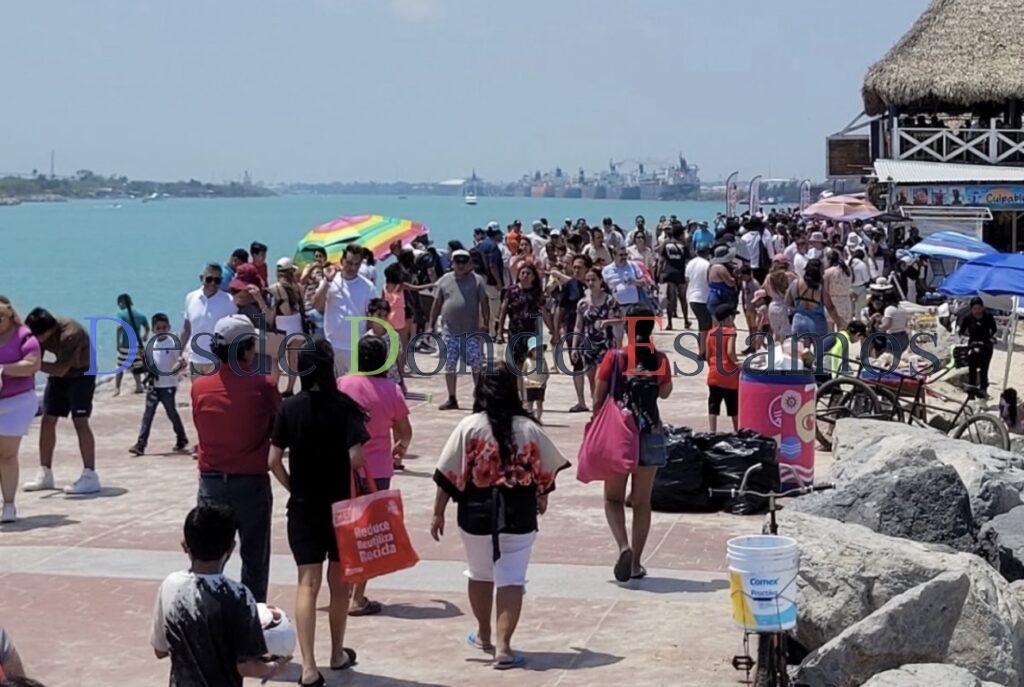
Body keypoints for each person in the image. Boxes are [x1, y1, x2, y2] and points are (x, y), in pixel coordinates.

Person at [431, 364, 569, 670]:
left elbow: (447, 474)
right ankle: (504, 648)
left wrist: (438, 512)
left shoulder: (469, 426)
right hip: (518, 512)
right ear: (513, 389)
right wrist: (542, 495)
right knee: (512, 578)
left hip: (475, 512)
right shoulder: (529, 427)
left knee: (479, 573)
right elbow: (545, 470)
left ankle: (483, 634)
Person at [269, 340, 368, 683]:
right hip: (341, 507)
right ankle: (337, 652)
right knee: (339, 583)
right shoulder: (344, 406)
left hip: (303, 505)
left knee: (306, 583)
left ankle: (309, 667)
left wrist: (294, 486)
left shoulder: (289, 408)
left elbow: (272, 461)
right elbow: (357, 457)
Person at [192, 315, 280, 602]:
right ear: (244, 348)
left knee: (208, 557)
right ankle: (252, 620)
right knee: (254, 558)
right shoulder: (263, 387)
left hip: (212, 481)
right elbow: (279, 427)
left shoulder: (199, 387)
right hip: (250, 482)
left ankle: (204, 613)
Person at [150, 504, 284, 686]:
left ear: (184, 546)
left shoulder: (170, 585)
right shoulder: (239, 595)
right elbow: (245, 666)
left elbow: (160, 650)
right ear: (231, 547)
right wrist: (271, 667)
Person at [594, 305, 672, 582]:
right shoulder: (659, 359)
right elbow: (665, 393)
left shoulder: (614, 357)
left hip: (620, 435)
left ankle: (623, 547)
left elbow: (597, 399)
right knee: (642, 502)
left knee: (613, 498)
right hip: (650, 432)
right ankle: (637, 562)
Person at [337, 336, 412, 616]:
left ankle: (340, 590)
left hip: (343, 464)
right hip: (377, 468)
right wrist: (399, 451)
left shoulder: (343, 384)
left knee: (343, 527)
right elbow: (405, 432)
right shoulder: (392, 390)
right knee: (367, 531)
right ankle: (358, 596)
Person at [22, 309, 99, 495]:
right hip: (59, 376)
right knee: (48, 419)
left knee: (80, 421)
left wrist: (35, 366)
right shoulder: (38, 333)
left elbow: (61, 368)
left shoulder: (70, 334)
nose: (36, 339)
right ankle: (45, 472)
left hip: (81, 374)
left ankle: (90, 475)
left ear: (49, 330)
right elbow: (34, 357)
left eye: (38, 336)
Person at [431, 249, 489, 411]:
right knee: (450, 366)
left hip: (471, 331)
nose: (461, 265)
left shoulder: (477, 281)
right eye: (458, 261)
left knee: (476, 366)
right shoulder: (444, 280)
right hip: (450, 331)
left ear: (469, 263)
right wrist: (431, 324)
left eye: (464, 261)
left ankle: (479, 398)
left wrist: (486, 323)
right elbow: (437, 303)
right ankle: (452, 398)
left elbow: (484, 303)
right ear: (452, 263)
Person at [0, 298, 41, 523]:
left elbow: (32, 364)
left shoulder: (24, 336)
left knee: (6, 454)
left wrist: (3, 370)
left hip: (16, 402)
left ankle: (8, 504)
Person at [128, 313, 189, 457]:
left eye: (164, 327)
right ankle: (141, 444)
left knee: (171, 412)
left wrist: (178, 365)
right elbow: (147, 364)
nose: (161, 330)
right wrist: (141, 357)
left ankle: (181, 437)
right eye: (158, 328)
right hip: (153, 385)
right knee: (148, 415)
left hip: (168, 385)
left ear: (168, 327)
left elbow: (180, 361)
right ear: (153, 330)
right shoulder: (151, 344)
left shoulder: (172, 343)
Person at [313, 244, 375, 377]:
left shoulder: (368, 287)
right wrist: (327, 282)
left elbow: (372, 319)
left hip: (356, 347)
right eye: (349, 263)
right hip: (332, 345)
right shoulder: (330, 281)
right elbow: (317, 305)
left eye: (357, 264)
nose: (352, 267)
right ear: (342, 261)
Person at [181, 263, 238, 374]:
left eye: (217, 280)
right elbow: (186, 329)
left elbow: (234, 330)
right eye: (209, 279)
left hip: (219, 360)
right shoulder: (190, 297)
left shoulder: (229, 301)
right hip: (195, 358)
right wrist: (179, 353)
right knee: (197, 391)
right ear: (201, 278)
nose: (213, 283)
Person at [574, 268, 621, 398]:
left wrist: (607, 322)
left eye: (593, 279)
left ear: (601, 281)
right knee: (591, 379)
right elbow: (578, 326)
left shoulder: (609, 300)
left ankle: (603, 405)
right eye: (588, 280)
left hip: (605, 345)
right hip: (588, 345)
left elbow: (621, 319)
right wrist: (574, 347)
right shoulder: (582, 303)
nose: (590, 283)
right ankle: (597, 409)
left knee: (601, 378)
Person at [553, 256, 590, 412]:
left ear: (587, 268)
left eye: (579, 267)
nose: (576, 270)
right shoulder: (569, 286)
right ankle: (581, 401)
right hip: (572, 330)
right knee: (577, 365)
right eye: (574, 267)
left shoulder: (595, 283)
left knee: (594, 365)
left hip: (593, 331)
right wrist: (555, 332)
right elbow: (560, 309)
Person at [269, 257, 307, 396]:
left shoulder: (274, 288)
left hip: (282, 324)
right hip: (296, 323)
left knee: (275, 359)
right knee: (293, 358)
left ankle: (274, 389)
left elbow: (272, 309)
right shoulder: (299, 288)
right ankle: (290, 388)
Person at [706, 306, 739, 433]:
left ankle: (712, 431)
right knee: (733, 405)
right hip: (729, 374)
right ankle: (737, 431)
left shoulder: (711, 332)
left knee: (713, 404)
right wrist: (737, 364)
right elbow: (730, 352)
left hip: (714, 373)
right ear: (728, 318)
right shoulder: (731, 332)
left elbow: (708, 355)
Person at [958, 297, 998, 397]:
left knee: (984, 370)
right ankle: (971, 394)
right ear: (971, 309)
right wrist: (966, 339)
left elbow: (994, 330)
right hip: (972, 346)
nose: (977, 311)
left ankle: (982, 393)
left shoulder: (988, 316)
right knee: (972, 370)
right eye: (974, 308)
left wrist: (991, 338)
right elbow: (961, 332)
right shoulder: (968, 317)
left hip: (986, 346)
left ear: (982, 307)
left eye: (979, 308)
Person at [113, 293, 149, 396]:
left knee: (120, 366)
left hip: (125, 345)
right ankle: (138, 386)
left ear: (121, 303)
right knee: (136, 366)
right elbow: (147, 327)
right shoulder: (140, 314)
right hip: (137, 345)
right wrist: (145, 336)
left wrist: (117, 343)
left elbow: (119, 328)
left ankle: (117, 389)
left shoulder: (120, 313)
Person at [786, 258, 829, 340]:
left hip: (798, 321)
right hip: (817, 323)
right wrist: (839, 321)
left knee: (800, 351)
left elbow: (787, 300)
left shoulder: (796, 283)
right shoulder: (820, 287)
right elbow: (830, 307)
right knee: (819, 351)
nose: (823, 273)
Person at [658, 225, 691, 330]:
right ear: (681, 234)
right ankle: (686, 321)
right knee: (683, 298)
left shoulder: (665, 243)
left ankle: (669, 323)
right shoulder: (683, 245)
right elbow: (687, 261)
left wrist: (658, 274)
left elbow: (661, 261)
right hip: (680, 273)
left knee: (670, 299)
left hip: (669, 273)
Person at [686, 247, 712, 354]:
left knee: (702, 325)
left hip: (692, 296)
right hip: (703, 297)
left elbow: (687, 278)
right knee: (706, 326)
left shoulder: (690, 263)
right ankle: (703, 351)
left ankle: (703, 350)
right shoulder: (707, 264)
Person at [764, 255, 794, 340]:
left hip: (773, 306)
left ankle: (775, 352)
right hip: (786, 307)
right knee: (786, 337)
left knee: (776, 335)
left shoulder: (769, 277)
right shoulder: (790, 276)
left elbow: (766, 291)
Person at [823, 250, 853, 331]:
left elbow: (825, 291)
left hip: (832, 302)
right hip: (845, 301)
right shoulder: (848, 270)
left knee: (830, 331)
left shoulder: (828, 272)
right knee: (844, 331)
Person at [521, 336, 549, 420]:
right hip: (530, 385)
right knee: (529, 403)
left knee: (539, 403)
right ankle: (530, 417)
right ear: (531, 351)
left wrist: (544, 380)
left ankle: (538, 418)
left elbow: (546, 373)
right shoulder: (527, 361)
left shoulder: (543, 361)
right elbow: (524, 372)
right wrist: (525, 379)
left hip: (540, 385)